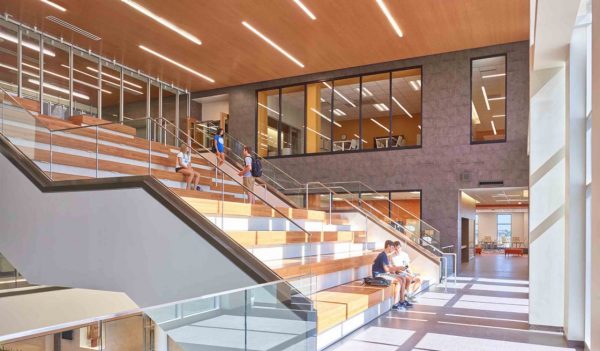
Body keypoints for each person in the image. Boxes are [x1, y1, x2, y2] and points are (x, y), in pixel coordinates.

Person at [372, 240, 413, 309]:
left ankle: (402, 301)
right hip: (378, 276)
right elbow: (387, 269)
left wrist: (397, 271)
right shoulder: (382, 255)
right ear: (388, 246)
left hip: (383, 274)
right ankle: (395, 303)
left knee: (403, 278)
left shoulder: (385, 255)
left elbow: (389, 268)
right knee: (398, 281)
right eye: (392, 247)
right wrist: (399, 267)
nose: (393, 249)